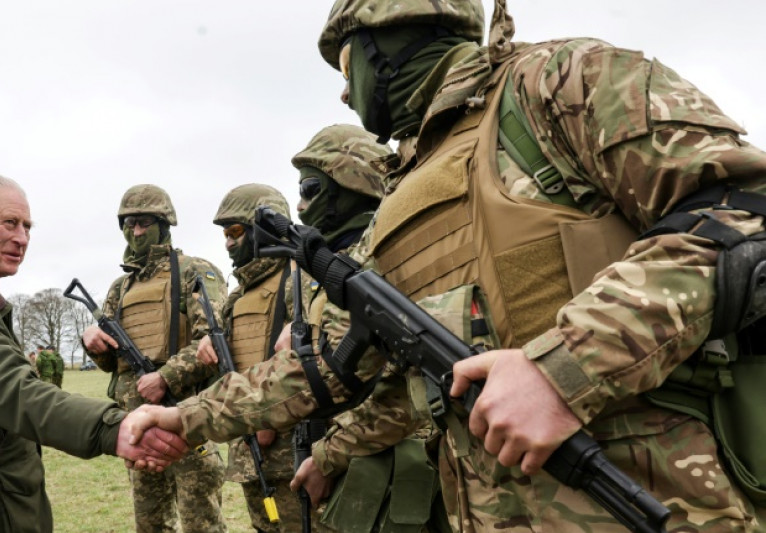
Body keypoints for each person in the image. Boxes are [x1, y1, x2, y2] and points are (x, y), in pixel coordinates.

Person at [125, 1, 766, 531]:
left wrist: (563, 369)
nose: (344, 92)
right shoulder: (401, 195)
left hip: (649, 497)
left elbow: (744, 208)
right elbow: (328, 363)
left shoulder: (560, 81)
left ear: (386, 40)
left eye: (346, 65)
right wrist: (186, 418)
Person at [0, 174, 186, 533]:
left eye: (27, 227)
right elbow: (14, 391)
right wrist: (112, 427)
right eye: (10, 223)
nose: (22, 238)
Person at [284, 124, 443, 532]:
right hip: (340, 463)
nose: (300, 206)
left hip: (391, 469)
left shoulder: (393, 258)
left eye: (310, 189)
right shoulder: (326, 272)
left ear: (350, 183)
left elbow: (405, 397)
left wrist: (328, 455)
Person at [82, 184, 227, 533]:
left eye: (144, 223)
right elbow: (113, 364)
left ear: (164, 224)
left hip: (185, 418)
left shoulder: (194, 271)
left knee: (201, 524)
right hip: (137, 426)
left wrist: (166, 377)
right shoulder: (121, 288)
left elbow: (215, 341)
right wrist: (94, 345)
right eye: (129, 224)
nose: (136, 232)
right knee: (150, 524)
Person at [195, 184, 313, 533]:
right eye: (225, 235)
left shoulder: (299, 278)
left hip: (294, 454)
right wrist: (211, 346)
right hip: (251, 454)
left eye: (235, 232)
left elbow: (314, 364)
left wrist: (271, 419)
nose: (229, 243)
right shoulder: (238, 295)